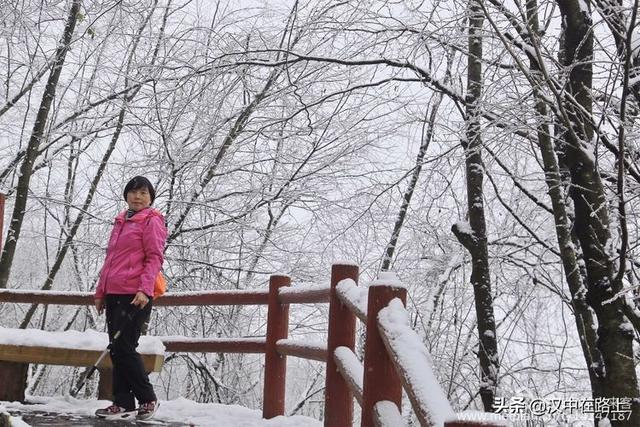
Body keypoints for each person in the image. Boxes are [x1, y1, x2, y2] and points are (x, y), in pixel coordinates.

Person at [93, 176, 167, 421]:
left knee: (125, 347)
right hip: (114, 293)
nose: (138, 197)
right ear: (126, 195)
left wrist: (145, 290)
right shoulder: (121, 221)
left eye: (143, 193)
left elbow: (154, 258)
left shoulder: (152, 221)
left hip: (135, 295)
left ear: (151, 197)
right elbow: (110, 261)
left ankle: (147, 399)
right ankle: (123, 403)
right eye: (133, 192)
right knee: (116, 349)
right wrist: (100, 293)